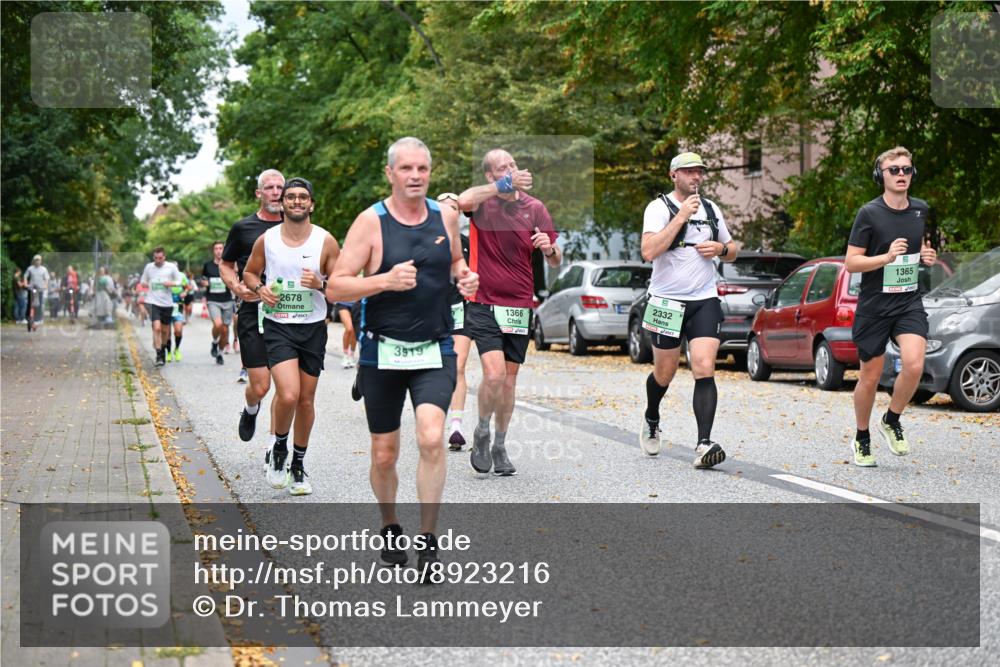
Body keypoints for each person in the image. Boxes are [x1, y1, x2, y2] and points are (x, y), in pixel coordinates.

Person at [328, 137, 478, 579]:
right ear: (390, 173)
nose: (415, 176)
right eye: (407, 169)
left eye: (423, 169)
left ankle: (428, 539)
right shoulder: (370, 224)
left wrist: (465, 278)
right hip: (382, 350)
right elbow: (336, 285)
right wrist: (383, 282)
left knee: (432, 438)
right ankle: (390, 524)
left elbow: (455, 263)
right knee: (384, 454)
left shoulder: (444, 216)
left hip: (435, 347)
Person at [457, 149, 561, 476]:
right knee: (494, 375)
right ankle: (481, 431)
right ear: (491, 175)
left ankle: (500, 443)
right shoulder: (484, 204)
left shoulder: (535, 208)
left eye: (513, 165)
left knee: (509, 382)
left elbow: (556, 259)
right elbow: (462, 201)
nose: (512, 171)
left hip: (519, 304)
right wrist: (502, 184)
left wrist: (549, 248)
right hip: (485, 301)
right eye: (503, 169)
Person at [638, 152, 739, 468]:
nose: (696, 177)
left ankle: (704, 443)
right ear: (673, 175)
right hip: (666, 301)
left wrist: (721, 249)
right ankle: (652, 416)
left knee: (704, 366)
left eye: (699, 173)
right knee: (664, 372)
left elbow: (734, 249)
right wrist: (680, 217)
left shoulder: (711, 209)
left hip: (704, 300)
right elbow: (649, 251)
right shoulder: (659, 208)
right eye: (689, 172)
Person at [243, 177, 339, 496]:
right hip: (279, 325)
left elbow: (341, 286)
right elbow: (250, 272)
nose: (296, 201)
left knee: (306, 399)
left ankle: (298, 464)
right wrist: (259, 288)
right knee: (288, 395)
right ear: (281, 203)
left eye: (302, 197)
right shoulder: (267, 240)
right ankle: (279, 448)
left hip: (313, 327)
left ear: (311, 204)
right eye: (290, 197)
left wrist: (321, 286)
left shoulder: (325, 241)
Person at [845, 146, 936, 467]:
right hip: (875, 305)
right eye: (894, 170)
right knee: (870, 375)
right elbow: (851, 262)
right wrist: (885, 257)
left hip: (908, 301)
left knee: (913, 365)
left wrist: (927, 256)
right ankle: (862, 436)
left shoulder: (920, 209)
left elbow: (918, 247)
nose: (901, 175)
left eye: (906, 169)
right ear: (880, 175)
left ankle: (892, 419)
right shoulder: (868, 213)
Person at [220, 169, 285, 440]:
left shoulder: (297, 225)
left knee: (287, 388)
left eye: (280, 187)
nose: (275, 192)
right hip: (253, 310)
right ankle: (250, 408)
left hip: (289, 312)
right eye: (269, 188)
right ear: (259, 193)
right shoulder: (243, 228)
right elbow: (226, 263)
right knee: (260, 386)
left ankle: (275, 446)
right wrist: (236, 286)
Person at [436, 192, 473, 451]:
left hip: (460, 310)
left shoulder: (467, 243)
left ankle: (456, 427)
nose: (451, 212)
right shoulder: (423, 239)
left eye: (455, 208)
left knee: (457, 367)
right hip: (430, 313)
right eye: (445, 208)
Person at [139, 248, 184, 367]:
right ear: (153, 257)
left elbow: (180, 281)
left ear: (164, 257)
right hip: (153, 302)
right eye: (155, 258)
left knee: (165, 331)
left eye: (160, 258)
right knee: (156, 328)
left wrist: (171, 283)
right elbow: (143, 280)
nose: (158, 260)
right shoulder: (149, 267)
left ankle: (163, 348)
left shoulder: (171, 267)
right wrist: (146, 283)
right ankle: (159, 354)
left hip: (167, 303)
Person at [202, 241, 236, 365]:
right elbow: (203, 279)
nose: (219, 251)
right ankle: (215, 341)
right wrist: (205, 283)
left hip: (227, 300)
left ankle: (220, 353)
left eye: (221, 248)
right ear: (213, 251)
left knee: (225, 331)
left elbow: (235, 279)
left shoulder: (229, 265)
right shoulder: (208, 266)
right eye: (216, 248)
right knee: (218, 325)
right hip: (213, 300)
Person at [24, 255, 51, 331]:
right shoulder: (30, 268)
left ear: (41, 261)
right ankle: (28, 317)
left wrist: (45, 285)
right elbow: (25, 276)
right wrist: (26, 284)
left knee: (38, 305)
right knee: (29, 304)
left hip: (40, 289)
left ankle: (37, 320)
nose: (37, 261)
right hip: (31, 289)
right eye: (36, 260)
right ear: (33, 261)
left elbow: (46, 279)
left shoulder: (43, 269)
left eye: (39, 260)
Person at [333, 300, 357, 368]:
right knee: (349, 328)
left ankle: (351, 355)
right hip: (343, 303)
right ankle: (346, 355)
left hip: (357, 303)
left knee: (354, 331)